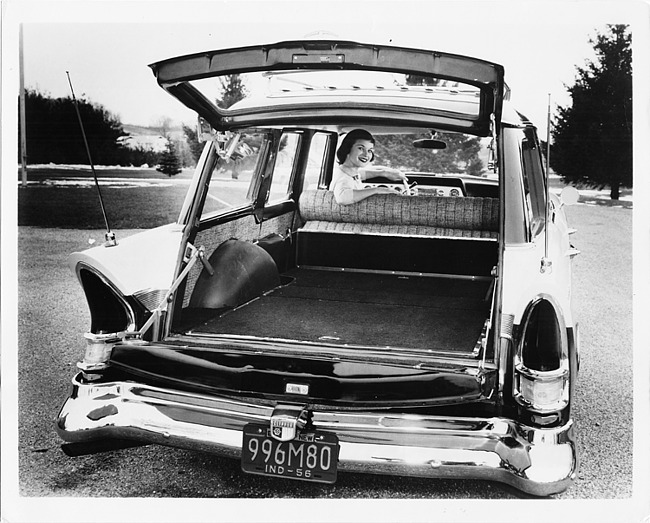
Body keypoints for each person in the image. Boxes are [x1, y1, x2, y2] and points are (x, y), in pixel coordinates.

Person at [329, 129, 407, 205]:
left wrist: (384, 172)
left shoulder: (349, 171)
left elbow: (362, 173)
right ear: (347, 149)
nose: (366, 155)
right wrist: (378, 190)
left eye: (369, 150)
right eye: (360, 148)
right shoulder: (344, 178)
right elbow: (342, 198)